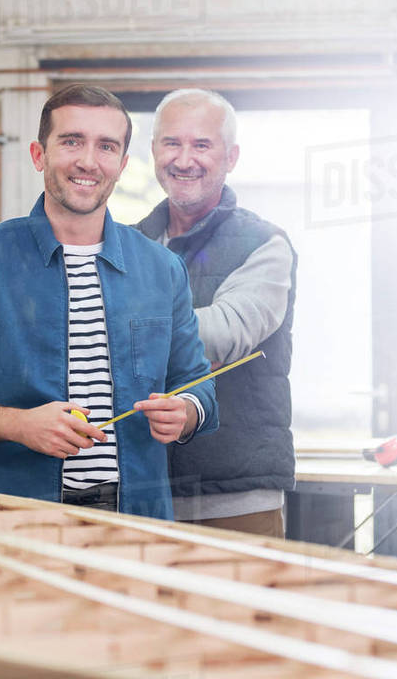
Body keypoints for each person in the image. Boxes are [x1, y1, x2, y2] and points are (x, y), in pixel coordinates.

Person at [0, 84, 216, 519]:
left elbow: (199, 385)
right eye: (71, 142)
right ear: (38, 155)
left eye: (106, 146)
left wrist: (187, 411)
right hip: (15, 518)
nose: (88, 161)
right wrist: (18, 424)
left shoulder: (162, 269)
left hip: (136, 519)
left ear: (122, 165)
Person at [135, 88, 297, 537]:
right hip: (143, 494)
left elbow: (221, 335)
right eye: (172, 143)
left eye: (201, 145)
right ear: (153, 152)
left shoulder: (265, 245)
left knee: (244, 611)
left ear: (232, 156)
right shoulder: (127, 245)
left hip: (235, 498)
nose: (184, 159)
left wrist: (117, 327)